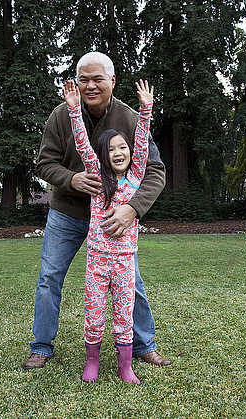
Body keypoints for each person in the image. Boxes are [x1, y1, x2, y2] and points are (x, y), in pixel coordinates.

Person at [23, 51, 170, 370]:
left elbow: (154, 168)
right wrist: (71, 178)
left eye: (97, 79)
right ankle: (41, 346)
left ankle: (144, 345)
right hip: (67, 212)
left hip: (114, 220)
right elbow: (44, 163)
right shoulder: (63, 115)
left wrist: (133, 208)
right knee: (49, 276)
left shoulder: (131, 118)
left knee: (132, 282)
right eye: (83, 79)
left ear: (112, 81)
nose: (90, 85)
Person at [63, 78, 154, 384]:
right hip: (97, 261)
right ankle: (92, 362)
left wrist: (145, 108)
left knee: (124, 316)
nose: (118, 152)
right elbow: (83, 145)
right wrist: (75, 110)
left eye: (122, 147)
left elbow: (142, 144)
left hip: (126, 261)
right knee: (93, 314)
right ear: (103, 156)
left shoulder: (135, 178)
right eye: (111, 149)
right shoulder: (98, 181)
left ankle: (125, 365)